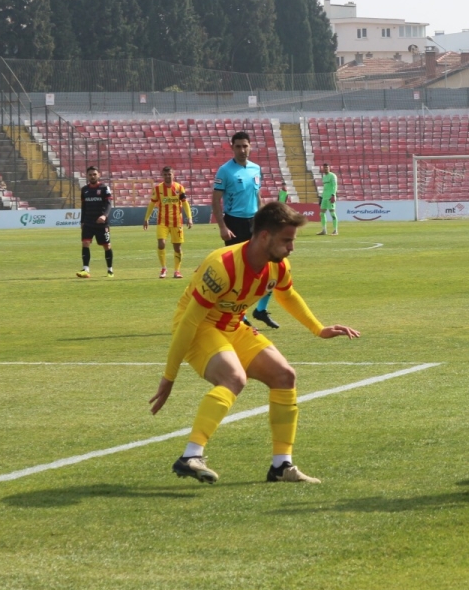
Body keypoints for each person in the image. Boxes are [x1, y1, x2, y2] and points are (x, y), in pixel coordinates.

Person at [149, 202, 360, 484]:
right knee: (233, 378)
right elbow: (188, 323)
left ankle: (281, 466)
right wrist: (169, 377)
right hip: (201, 328)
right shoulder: (222, 266)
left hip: (233, 325)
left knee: (284, 376)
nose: (291, 248)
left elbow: (287, 295)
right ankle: (190, 455)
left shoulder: (278, 265)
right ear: (263, 236)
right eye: (286, 240)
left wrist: (318, 329)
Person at [212, 131, 277, 329]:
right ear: (232, 147)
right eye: (238, 146)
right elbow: (215, 200)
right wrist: (222, 226)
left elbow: (257, 196)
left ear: (250, 146)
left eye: (245, 146)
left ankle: (260, 310)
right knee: (239, 273)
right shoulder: (225, 171)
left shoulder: (256, 169)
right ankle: (239, 316)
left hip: (255, 223)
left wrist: (265, 219)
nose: (242, 150)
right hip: (234, 223)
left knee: (269, 267)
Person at [144, 166, 194, 279]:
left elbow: (185, 203)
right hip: (162, 222)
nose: (167, 176)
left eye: (169, 174)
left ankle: (177, 271)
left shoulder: (179, 188)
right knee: (161, 243)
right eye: (165, 174)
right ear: (162, 175)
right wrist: (146, 218)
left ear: (173, 175)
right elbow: (152, 204)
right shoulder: (158, 189)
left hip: (177, 222)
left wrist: (189, 218)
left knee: (177, 248)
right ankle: (163, 268)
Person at [76, 166, 114, 278]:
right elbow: (84, 206)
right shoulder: (84, 190)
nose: (92, 176)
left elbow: (108, 204)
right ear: (86, 176)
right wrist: (82, 221)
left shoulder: (104, 188)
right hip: (88, 222)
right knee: (85, 243)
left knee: (107, 246)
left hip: (101, 223)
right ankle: (85, 270)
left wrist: (104, 216)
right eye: (90, 174)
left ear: (99, 175)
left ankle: (110, 270)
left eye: (94, 174)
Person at [318, 163, 338, 236]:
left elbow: (335, 186)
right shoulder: (324, 177)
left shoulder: (332, 176)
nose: (325, 169)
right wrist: (321, 197)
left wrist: (333, 195)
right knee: (321, 213)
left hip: (330, 196)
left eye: (327, 167)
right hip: (325, 197)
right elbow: (325, 188)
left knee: (332, 213)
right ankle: (324, 230)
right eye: (324, 168)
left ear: (329, 168)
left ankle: (335, 230)